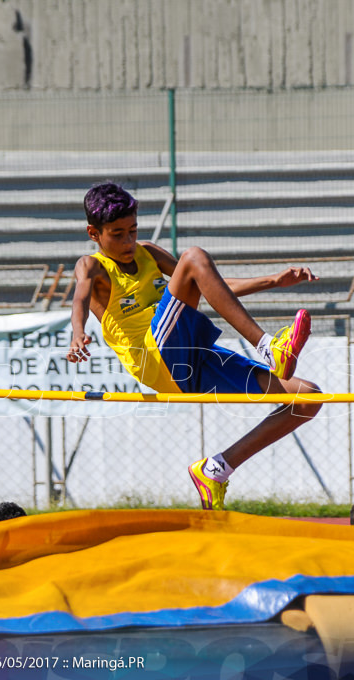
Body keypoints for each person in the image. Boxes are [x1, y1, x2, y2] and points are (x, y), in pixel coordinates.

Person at [67, 182, 322, 511]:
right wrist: (78, 332)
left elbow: (207, 283)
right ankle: (268, 347)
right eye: (117, 234)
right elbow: (80, 299)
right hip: (154, 356)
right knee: (194, 256)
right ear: (94, 233)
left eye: (133, 230)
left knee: (308, 398)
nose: (129, 241)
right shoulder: (92, 266)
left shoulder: (149, 253)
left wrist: (273, 281)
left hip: (191, 357)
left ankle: (216, 470)